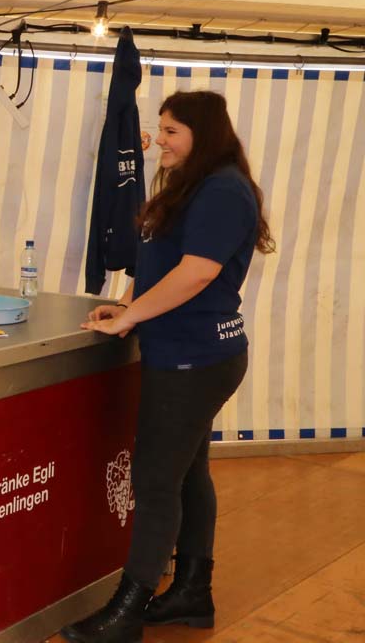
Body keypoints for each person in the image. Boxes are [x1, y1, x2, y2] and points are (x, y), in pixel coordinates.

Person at [61, 91, 275, 643]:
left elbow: (197, 272)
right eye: (160, 128)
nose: (160, 139)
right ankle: (191, 594)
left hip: (195, 358)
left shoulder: (223, 189)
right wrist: (124, 306)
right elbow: (156, 264)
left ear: (204, 134)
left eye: (171, 130)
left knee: (156, 481)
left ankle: (126, 613)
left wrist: (131, 316)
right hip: (184, 353)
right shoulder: (190, 186)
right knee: (187, 473)